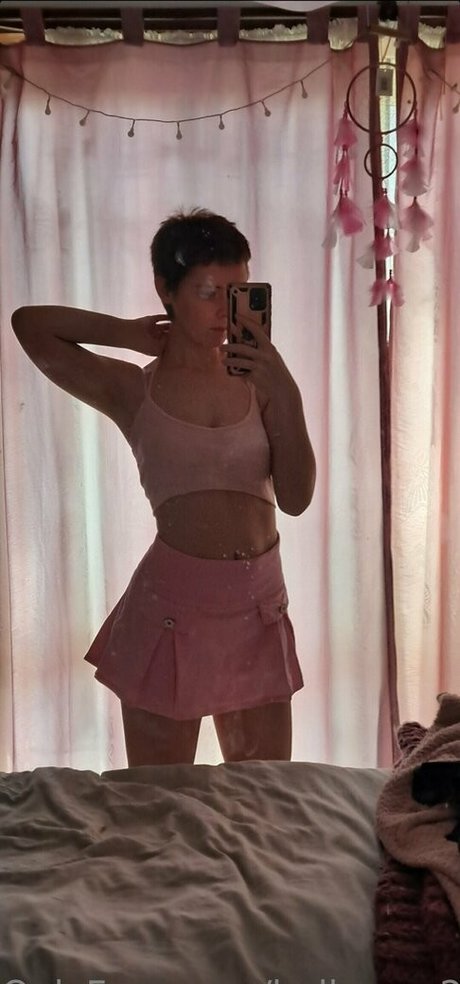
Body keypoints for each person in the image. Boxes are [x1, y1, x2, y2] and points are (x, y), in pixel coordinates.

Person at [11, 207, 316, 766]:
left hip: (258, 610)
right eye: (208, 292)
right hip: (170, 612)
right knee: (159, 803)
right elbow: (30, 324)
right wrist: (126, 333)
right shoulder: (134, 389)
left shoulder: (263, 382)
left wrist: (288, 394)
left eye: (237, 292)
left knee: (265, 801)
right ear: (166, 289)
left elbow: (296, 499)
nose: (224, 310)